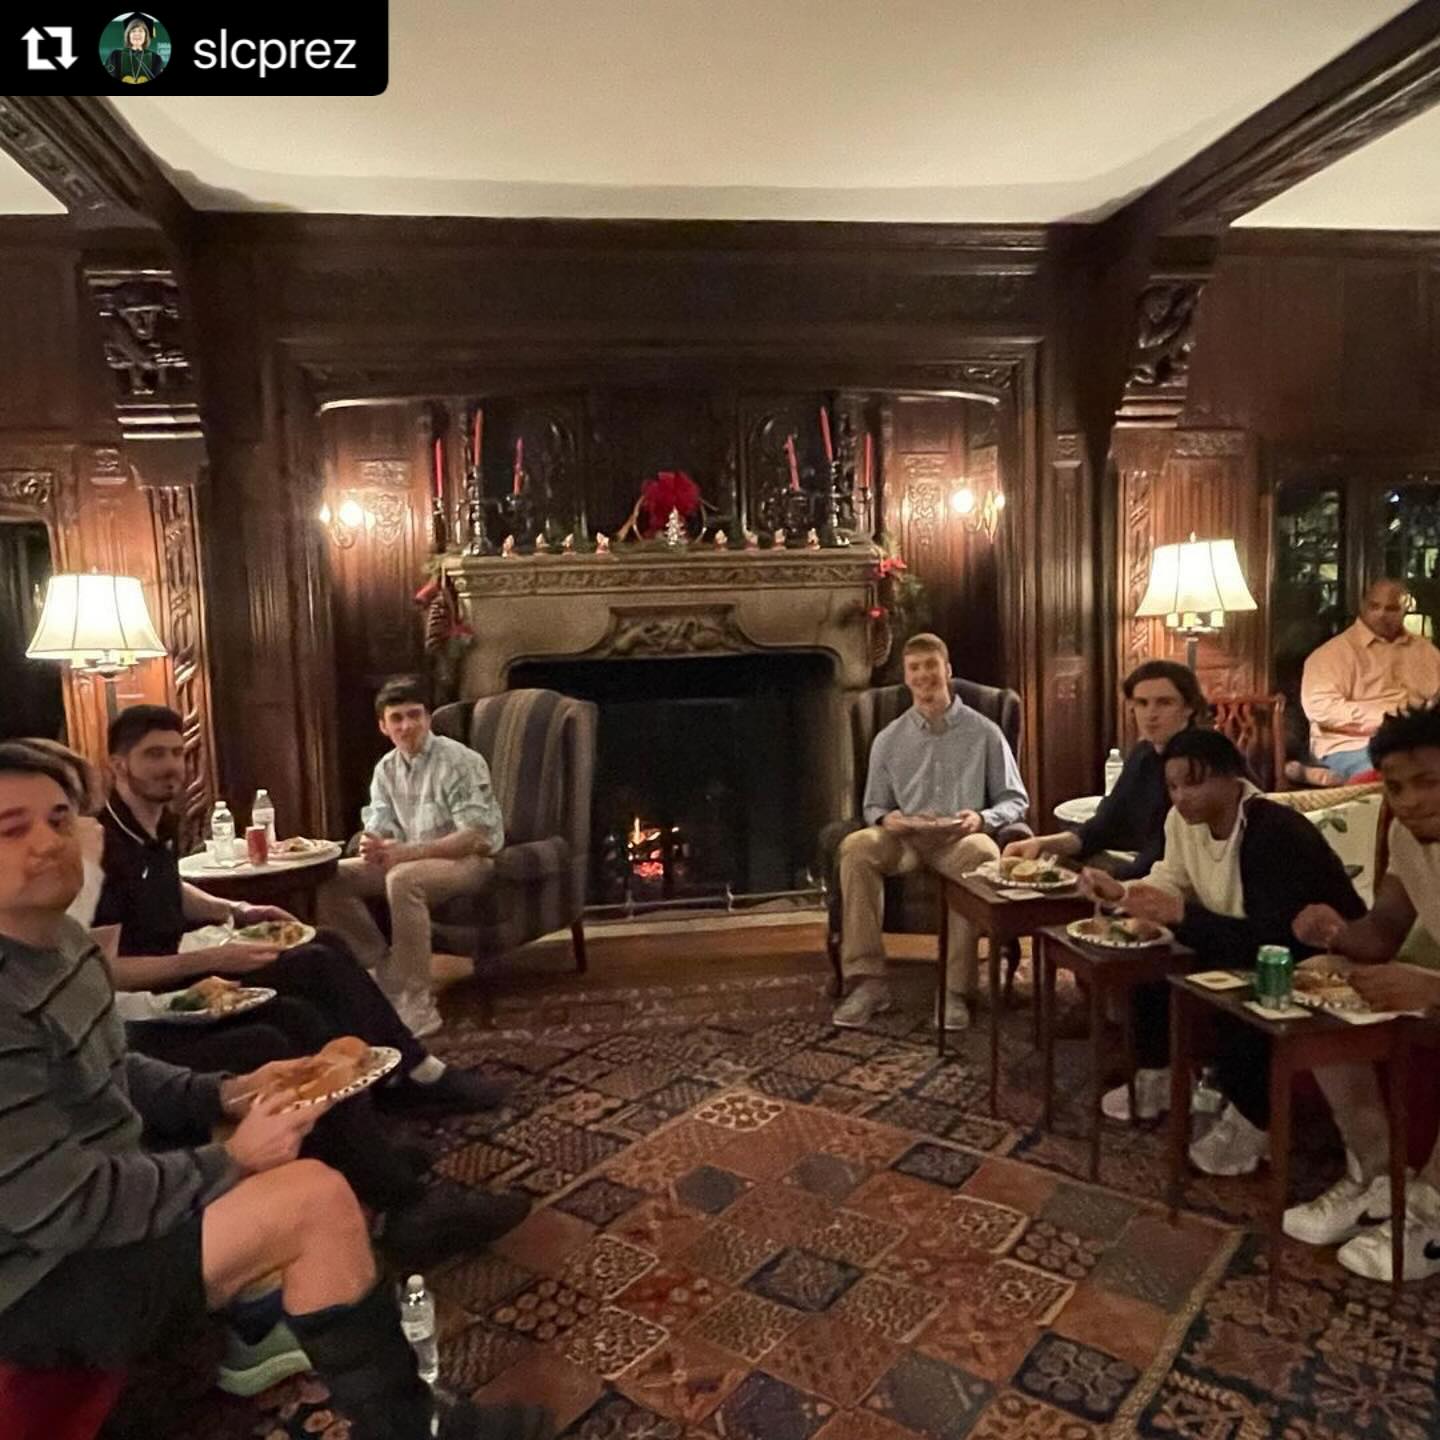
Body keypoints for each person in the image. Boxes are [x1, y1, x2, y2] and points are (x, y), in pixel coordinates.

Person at [0, 744, 549, 1440]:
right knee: (311, 1201)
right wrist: (229, 1162)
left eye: (57, 819)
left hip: (86, 1220)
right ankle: (412, 1425)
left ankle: (304, 1332)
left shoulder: (63, 947)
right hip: (35, 1283)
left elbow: (116, 1067)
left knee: (284, 1090)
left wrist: (223, 1096)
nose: (48, 843)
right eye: (12, 829)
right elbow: (61, 1207)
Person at [94, 705, 498, 1113]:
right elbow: (106, 971)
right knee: (315, 966)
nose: (171, 766)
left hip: (186, 965)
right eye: (154, 755)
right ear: (118, 765)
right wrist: (213, 957)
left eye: (177, 753)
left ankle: (389, 1073)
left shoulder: (156, 823)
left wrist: (237, 910)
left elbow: (167, 887)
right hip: (152, 998)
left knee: (325, 943)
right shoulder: (101, 847)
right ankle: (413, 1072)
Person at [1081, 729, 1364, 1175]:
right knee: (1145, 951)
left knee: (1238, 984)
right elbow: (1171, 878)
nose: (1182, 797)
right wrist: (1123, 893)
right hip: (1236, 935)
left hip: (1304, 953)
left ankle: (1255, 1120)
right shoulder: (1182, 823)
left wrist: (1181, 915)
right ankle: (1158, 1077)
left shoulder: (1272, 831)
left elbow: (1274, 937)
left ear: (1231, 778)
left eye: (1193, 783)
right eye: (1173, 787)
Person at [1287, 701, 1440, 1281]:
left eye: (1429, 781)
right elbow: (1383, 932)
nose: (1411, 799)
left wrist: (1426, 986)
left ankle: (1431, 1213)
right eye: (1398, 787)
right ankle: (1376, 1174)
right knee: (1324, 982)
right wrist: (1335, 933)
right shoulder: (1406, 835)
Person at [831, 633, 1030, 1032]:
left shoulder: (985, 732)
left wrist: (982, 819)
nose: (924, 675)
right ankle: (868, 983)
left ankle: (955, 991)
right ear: (907, 678)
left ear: (948, 671)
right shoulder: (887, 739)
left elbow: (1015, 800)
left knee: (982, 853)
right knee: (855, 847)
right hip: (904, 840)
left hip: (958, 839)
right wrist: (889, 820)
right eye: (915, 668)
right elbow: (873, 806)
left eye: (931, 665)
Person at [317, 676, 505, 1040]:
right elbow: (380, 825)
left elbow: (475, 836)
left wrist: (407, 853)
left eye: (415, 715)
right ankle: (386, 974)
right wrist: (373, 844)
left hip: (470, 861)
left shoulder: (459, 761)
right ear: (383, 726)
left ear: (428, 718)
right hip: (412, 858)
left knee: (403, 879)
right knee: (331, 876)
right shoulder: (386, 769)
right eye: (397, 718)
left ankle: (418, 1001)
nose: (407, 726)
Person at [1005, 658, 1206, 879]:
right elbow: (1104, 826)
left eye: (1164, 702)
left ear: (1189, 708)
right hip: (1143, 870)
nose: (1151, 714)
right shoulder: (1144, 753)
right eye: (1142, 703)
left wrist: (1110, 885)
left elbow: (1162, 854)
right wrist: (1042, 844)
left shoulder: (1200, 761)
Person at [1289, 579, 1440, 787]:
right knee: (1396, 775)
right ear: (1362, 606)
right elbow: (1321, 708)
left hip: (1419, 742)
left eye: (1392, 608)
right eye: (1375, 606)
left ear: (1406, 608)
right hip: (1352, 745)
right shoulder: (1332, 654)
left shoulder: (1426, 651)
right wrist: (1390, 720)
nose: (1382, 614)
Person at [104, 12, 167, 83]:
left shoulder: (156, 58)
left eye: (141, 31)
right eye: (133, 31)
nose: (137, 34)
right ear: (128, 35)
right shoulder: (115, 55)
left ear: (146, 36)